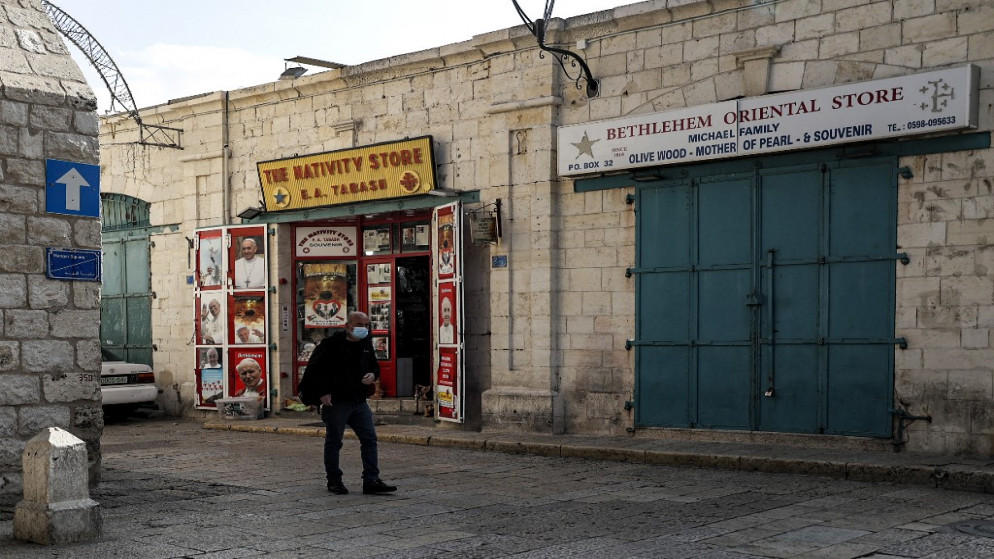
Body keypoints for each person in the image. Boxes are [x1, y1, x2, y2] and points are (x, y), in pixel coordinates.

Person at [298, 311, 397, 496]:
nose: (364, 328)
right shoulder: (330, 344)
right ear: (348, 326)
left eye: (367, 325)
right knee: (334, 442)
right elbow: (314, 371)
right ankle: (334, 480)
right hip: (336, 402)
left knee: (369, 438)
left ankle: (371, 480)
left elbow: (374, 365)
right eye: (360, 324)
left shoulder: (366, 343)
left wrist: (373, 375)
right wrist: (322, 393)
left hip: (358, 401)